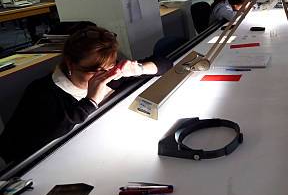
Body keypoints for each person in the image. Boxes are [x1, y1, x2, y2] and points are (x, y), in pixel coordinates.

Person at [0, 26, 172, 166]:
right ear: (70, 64)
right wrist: (90, 102)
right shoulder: (42, 93)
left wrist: (139, 69)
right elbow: (24, 147)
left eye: (109, 67)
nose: (104, 76)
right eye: (95, 71)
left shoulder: (112, 74)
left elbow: (165, 63)